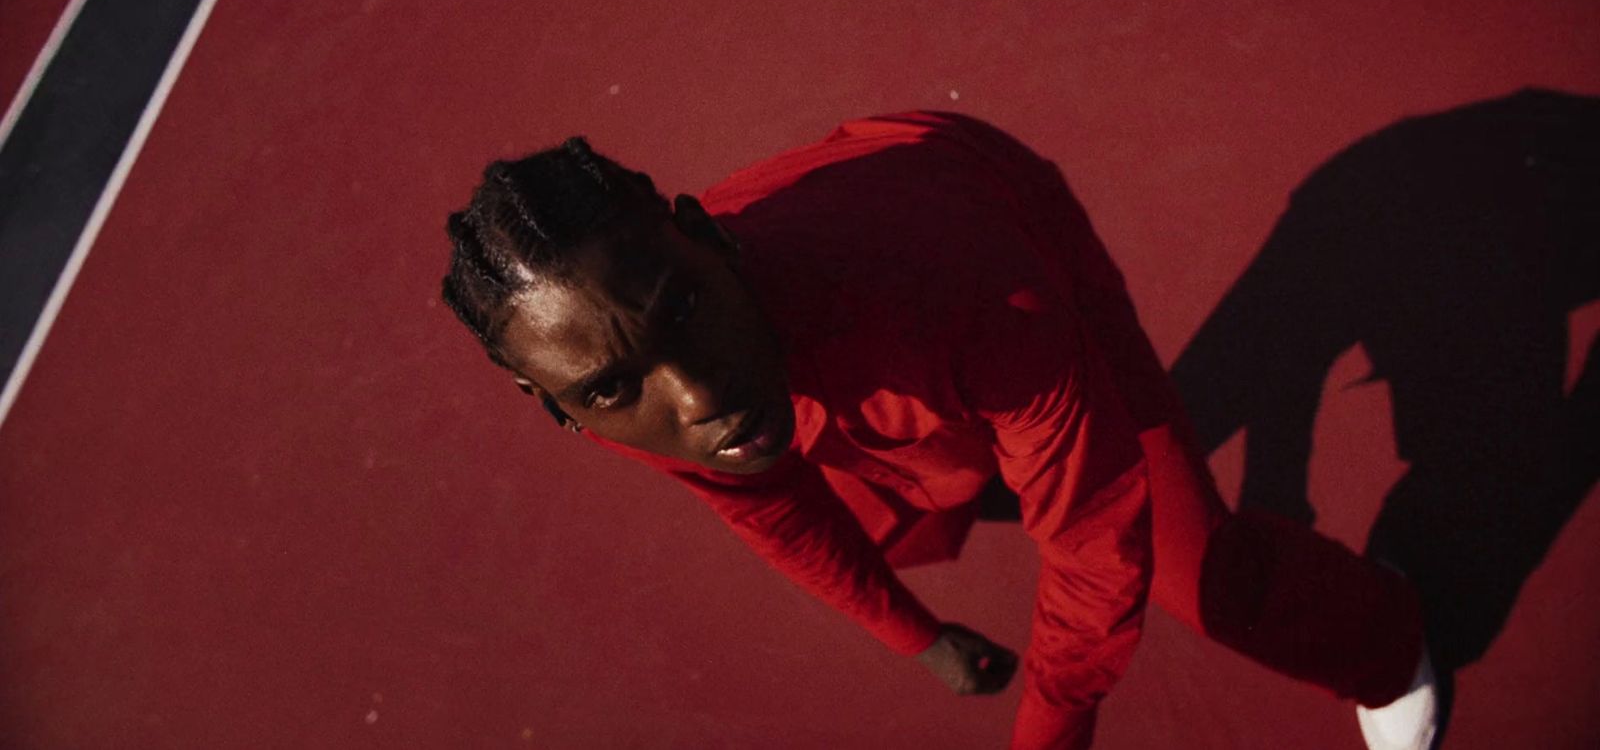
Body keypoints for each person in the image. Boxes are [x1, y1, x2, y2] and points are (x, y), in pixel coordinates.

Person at [440, 112, 1438, 749]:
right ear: (561, 407)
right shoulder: (612, 381)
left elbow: (1091, 540)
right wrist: (915, 636)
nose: (696, 398)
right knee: (915, 503)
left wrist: (1054, 721)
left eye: (687, 312)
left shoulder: (969, 296)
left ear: (702, 236)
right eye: (617, 388)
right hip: (887, 327)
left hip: (984, 222)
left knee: (1203, 576)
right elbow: (772, 513)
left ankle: (1386, 641)